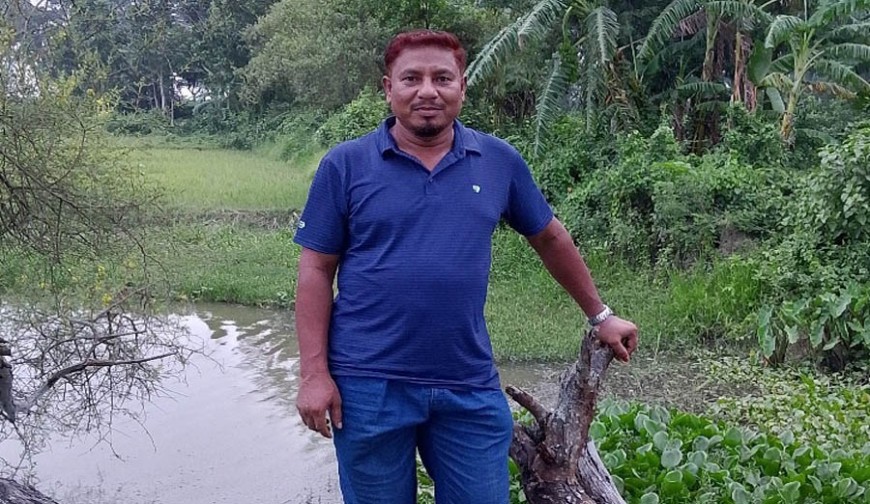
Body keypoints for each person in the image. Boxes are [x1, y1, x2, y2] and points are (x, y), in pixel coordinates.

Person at [293, 29, 638, 504]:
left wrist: (601, 315)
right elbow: (315, 269)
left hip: (466, 383)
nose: (427, 91)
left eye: (442, 78)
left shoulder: (497, 161)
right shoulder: (346, 165)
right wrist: (314, 374)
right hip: (368, 386)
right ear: (388, 88)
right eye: (411, 78)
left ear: (462, 86)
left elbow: (549, 237)